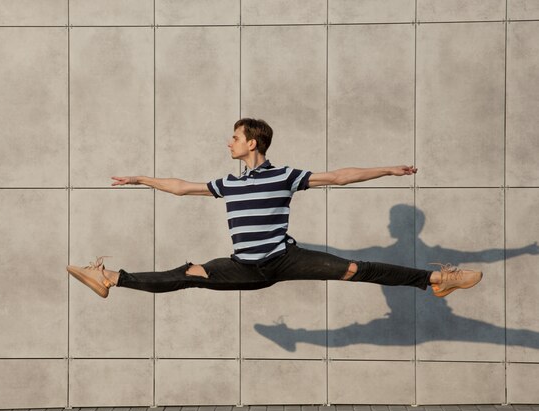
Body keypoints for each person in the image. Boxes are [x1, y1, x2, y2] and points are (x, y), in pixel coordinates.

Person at [66, 118, 482, 299]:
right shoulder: (227, 183)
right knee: (186, 275)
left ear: (253, 143)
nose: (228, 143)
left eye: (234, 137)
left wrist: (387, 170)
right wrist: (141, 178)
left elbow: (337, 176)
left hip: (286, 259)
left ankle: (436, 279)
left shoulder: (283, 175)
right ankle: (108, 278)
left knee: (358, 269)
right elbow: (180, 187)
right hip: (243, 267)